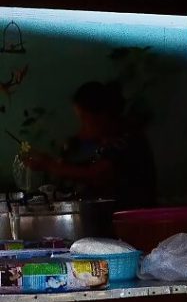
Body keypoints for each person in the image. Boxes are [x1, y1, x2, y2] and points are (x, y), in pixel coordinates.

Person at [22, 80, 157, 209]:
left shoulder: (126, 139)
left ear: (101, 116)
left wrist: (49, 165)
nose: (82, 127)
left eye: (83, 118)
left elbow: (96, 175)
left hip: (133, 220)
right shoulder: (109, 139)